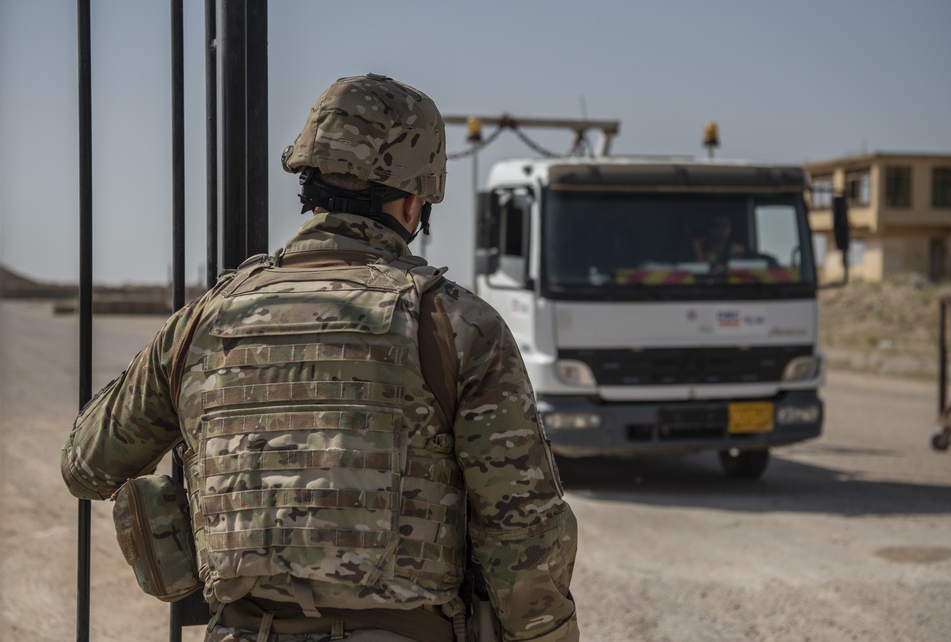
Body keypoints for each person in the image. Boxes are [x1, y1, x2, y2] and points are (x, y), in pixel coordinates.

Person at [61, 74, 579, 642]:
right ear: (413, 201)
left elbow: (87, 465)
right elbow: (522, 528)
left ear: (309, 186)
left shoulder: (200, 322)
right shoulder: (458, 325)